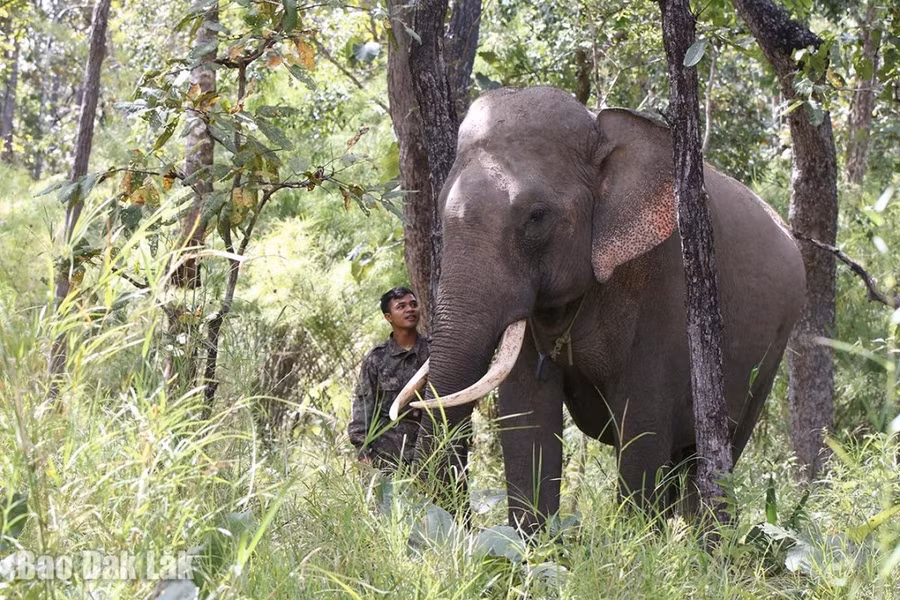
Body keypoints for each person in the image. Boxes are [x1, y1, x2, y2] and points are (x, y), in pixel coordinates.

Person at [348, 286, 429, 471]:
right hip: (388, 456)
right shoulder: (376, 359)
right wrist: (363, 453)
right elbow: (363, 407)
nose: (410, 309)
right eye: (401, 306)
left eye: (413, 304)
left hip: (430, 451)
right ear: (388, 317)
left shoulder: (435, 352)